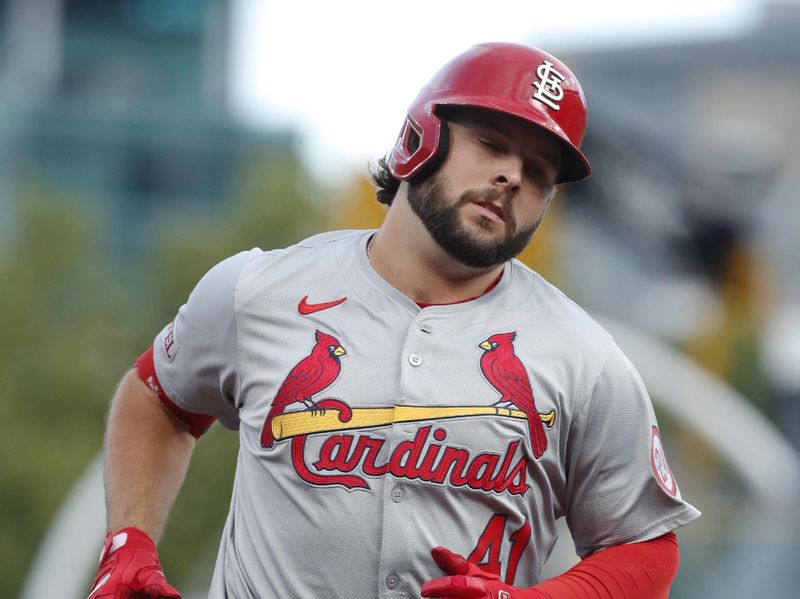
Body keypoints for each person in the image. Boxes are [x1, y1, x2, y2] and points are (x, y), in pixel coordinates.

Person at [89, 42, 700, 599]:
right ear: (420, 137)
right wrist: (129, 540)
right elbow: (159, 399)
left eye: (539, 172)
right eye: (490, 143)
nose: (513, 175)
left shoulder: (585, 357)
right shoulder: (258, 291)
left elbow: (643, 546)